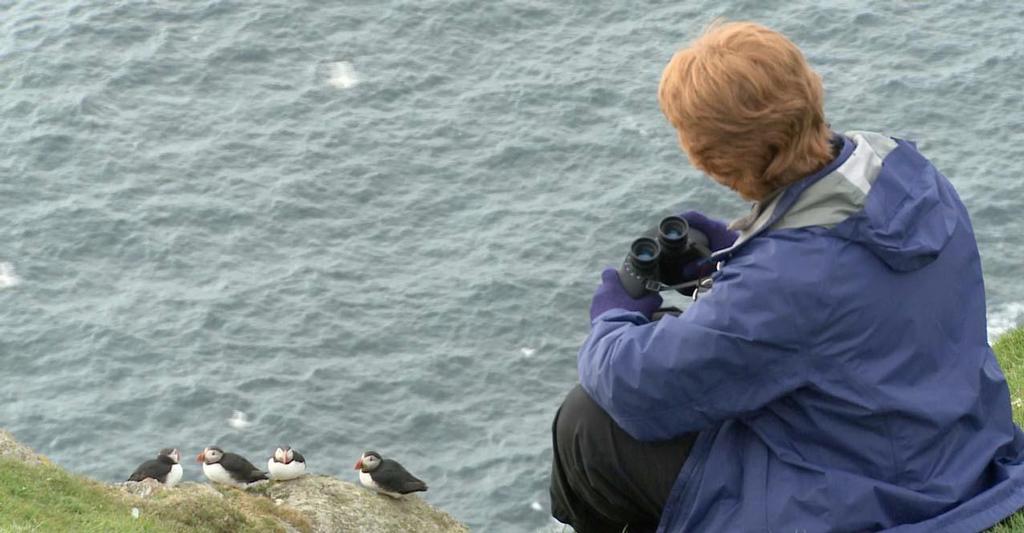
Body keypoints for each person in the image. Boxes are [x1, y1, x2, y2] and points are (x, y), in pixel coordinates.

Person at [549, 21, 1024, 532]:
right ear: (807, 89)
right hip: (958, 442)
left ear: (709, 160)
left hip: (874, 490)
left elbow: (635, 389)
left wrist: (613, 314)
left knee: (587, 422)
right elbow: (847, 283)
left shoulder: (785, 281)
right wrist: (744, 246)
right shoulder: (904, 169)